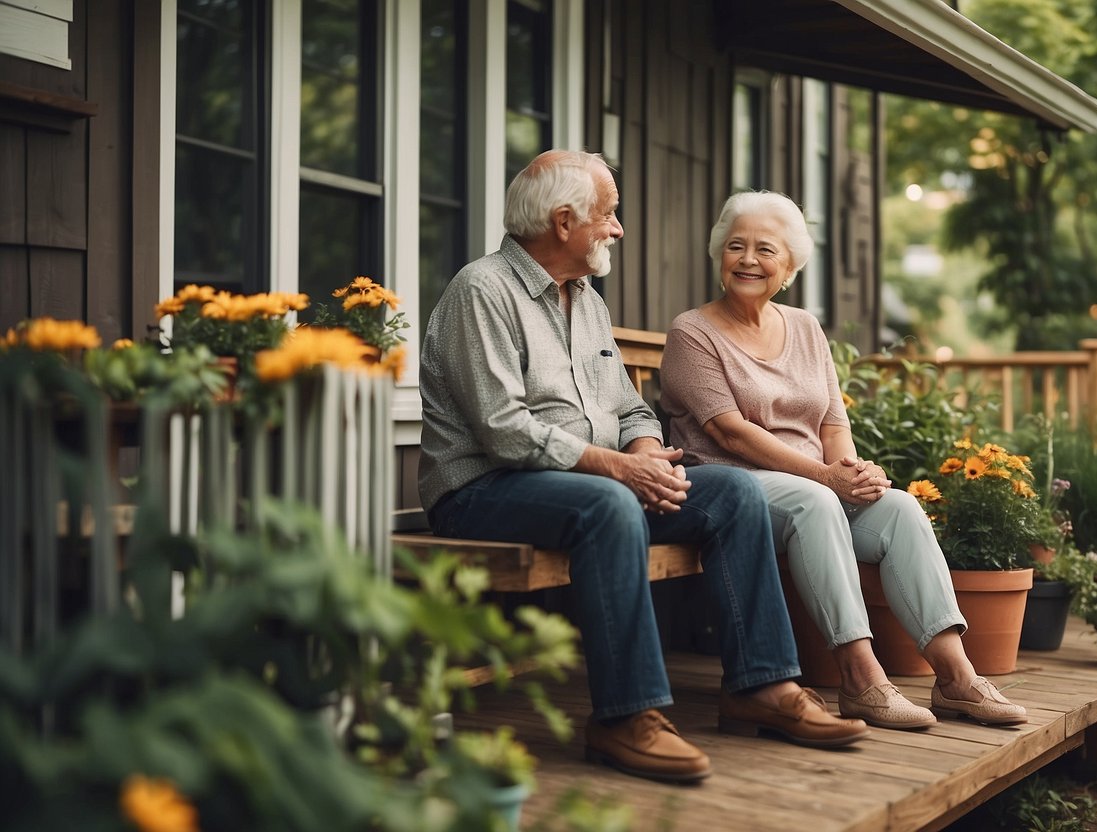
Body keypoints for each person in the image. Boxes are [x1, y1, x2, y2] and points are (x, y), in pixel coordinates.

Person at [417, 152, 868, 785]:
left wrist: (646, 455)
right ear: (565, 220)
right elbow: (502, 431)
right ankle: (627, 717)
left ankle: (760, 686)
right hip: (483, 489)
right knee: (610, 505)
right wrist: (616, 472)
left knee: (734, 492)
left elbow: (631, 407)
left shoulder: (587, 301)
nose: (618, 228)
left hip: (590, 481)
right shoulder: (482, 290)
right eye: (609, 214)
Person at [659, 190, 1028, 731]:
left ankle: (956, 678)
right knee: (814, 502)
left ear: (789, 266)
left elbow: (833, 423)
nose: (748, 260)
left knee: (899, 507)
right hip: (732, 485)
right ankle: (861, 679)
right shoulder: (692, 331)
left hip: (811, 484)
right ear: (719, 257)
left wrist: (852, 474)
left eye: (765, 250)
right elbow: (729, 432)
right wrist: (825, 478)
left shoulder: (806, 329)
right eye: (736, 247)